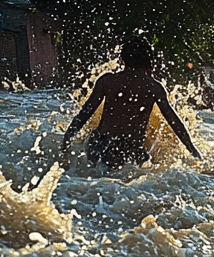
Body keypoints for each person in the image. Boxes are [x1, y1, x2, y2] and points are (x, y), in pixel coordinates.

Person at [60, 36, 202, 170]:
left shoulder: (107, 81)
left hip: (101, 143)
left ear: (122, 60)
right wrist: (192, 149)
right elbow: (174, 121)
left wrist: (67, 139)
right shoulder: (153, 87)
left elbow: (84, 114)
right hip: (132, 146)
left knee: (94, 176)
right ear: (150, 61)